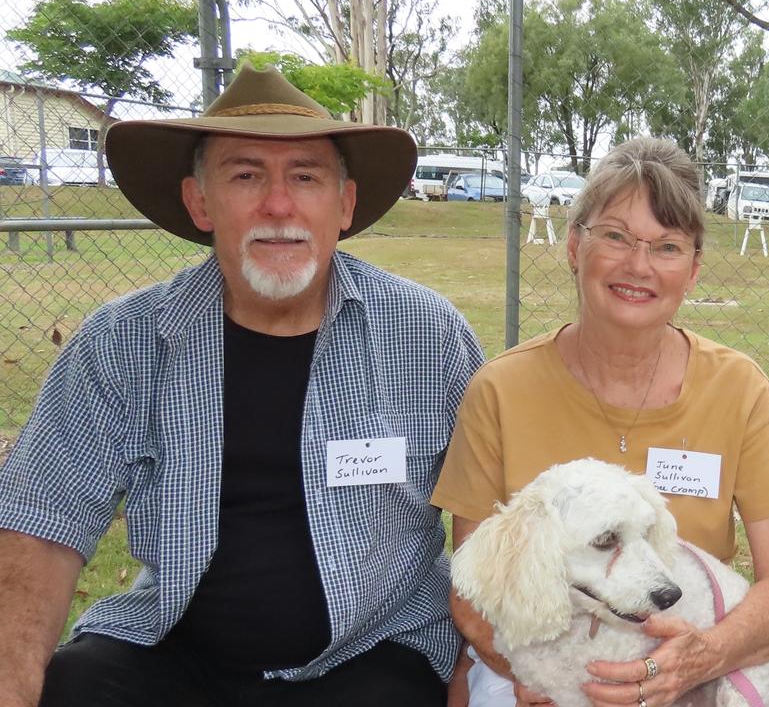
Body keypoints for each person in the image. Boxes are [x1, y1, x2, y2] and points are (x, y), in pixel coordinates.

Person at [0, 65, 484, 707]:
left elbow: (490, 519)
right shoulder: (122, 342)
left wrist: (475, 668)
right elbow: (40, 526)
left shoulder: (429, 336)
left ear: (344, 205)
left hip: (373, 653)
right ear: (200, 202)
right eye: (246, 174)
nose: (278, 205)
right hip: (172, 648)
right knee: (79, 688)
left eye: (306, 177)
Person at [431, 137, 769, 707]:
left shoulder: (738, 390)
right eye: (615, 236)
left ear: (693, 269)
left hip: (685, 663)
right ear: (572, 246)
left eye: (667, 246)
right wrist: (538, 678)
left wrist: (705, 654)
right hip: (536, 668)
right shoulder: (501, 391)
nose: (639, 266)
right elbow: (474, 590)